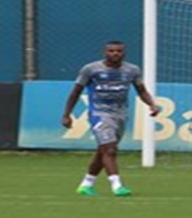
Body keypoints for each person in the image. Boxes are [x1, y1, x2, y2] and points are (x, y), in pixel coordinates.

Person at [61, 40, 161, 197]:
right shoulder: (91, 69)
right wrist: (67, 114)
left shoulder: (132, 70)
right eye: (112, 51)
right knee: (110, 149)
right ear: (105, 52)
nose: (115, 53)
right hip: (99, 114)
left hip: (120, 115)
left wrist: (152, 104)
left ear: (124, 52)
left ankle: (86, 184)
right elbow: (75, 92)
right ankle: (117, 186)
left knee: (103, 150)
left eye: (119, 51)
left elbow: (141, 90)